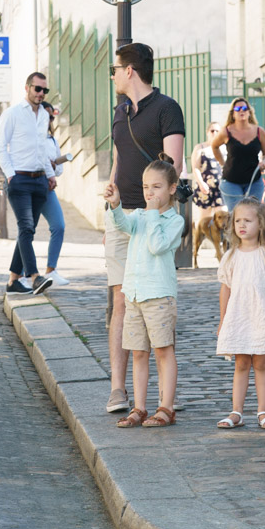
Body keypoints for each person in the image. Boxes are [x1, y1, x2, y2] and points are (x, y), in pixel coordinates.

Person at [105, 43, 185, 414]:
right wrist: (111, 206)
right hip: (123, 217)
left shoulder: (167, 109)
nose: (113, 75)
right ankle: (119, 390)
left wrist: (155, 208)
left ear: (130, 71)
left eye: (115, 68)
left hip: (152, 218)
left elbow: (174, 165)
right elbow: (119, 159)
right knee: (120, 299)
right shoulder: (120, 112)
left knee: (153, 300)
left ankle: (164, 398)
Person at [104, 157, 184, 428]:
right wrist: (115, 206)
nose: (150, 193)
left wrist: (151, 213)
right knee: (138, 352)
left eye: (157, 187)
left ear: (172, 189)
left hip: (159, 296)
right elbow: (123, 226)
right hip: (134, 295)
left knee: (163, 350)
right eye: (146, 187)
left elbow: (156, 245)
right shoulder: (138, 215)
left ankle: (166, 407)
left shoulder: (174, 221)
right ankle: (139, 407)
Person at [216, 197, 265, 429]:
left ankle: (263, 411)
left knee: (260, 363)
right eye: (238, 220)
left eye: (248, 220)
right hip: (239, 316)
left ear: (261, 224)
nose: (241, 225)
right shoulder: (231, 256)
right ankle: (236, 411)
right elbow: (225, 289)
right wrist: (223, 319)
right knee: (241, 364)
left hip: (261, 315)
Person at [0, 72, 56, 296]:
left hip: (40, 180)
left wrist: (49, 175)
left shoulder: (43, 115)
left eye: (44, 90)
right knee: (26, 227)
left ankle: (13, 281)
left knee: (27, 232)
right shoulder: (12, 114)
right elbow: (1, 147)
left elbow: (42, 149)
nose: (41, 94)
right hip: (19, 179)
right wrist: (11, 175)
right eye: (37, 89)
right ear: (27, 88)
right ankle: (34, 277)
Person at [22, 101, 70, 288]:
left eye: (51, 117)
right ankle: (22, 275)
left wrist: (53, 166)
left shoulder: (52, 140)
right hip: (30, 187)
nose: (49, 120)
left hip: (47, 190)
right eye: (47, 116)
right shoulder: (28, 136)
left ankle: (51, 270)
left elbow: (59, 171)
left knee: (58, 226)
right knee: (27, 231)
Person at [211, 97, 265, 213]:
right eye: (237, 109)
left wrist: (264, 162)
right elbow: (214, 146)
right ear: (233, 114)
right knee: (236, 215)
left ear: (249, 112)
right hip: (231, 182)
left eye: (244, 108)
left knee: (254, 214)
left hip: (254, 181)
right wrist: (222, 163)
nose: (241, 111)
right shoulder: (226, 131)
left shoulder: (260, 132)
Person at [191, 121, 224, 217]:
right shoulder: (200, 148)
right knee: (205, 221)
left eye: (217, 131)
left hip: (221, 188)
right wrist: (201, 183)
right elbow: (195, 168)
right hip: (205, 188)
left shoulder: (225, 148)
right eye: (212, 130)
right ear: (207, 132)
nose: (214, 133)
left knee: (223, 219)